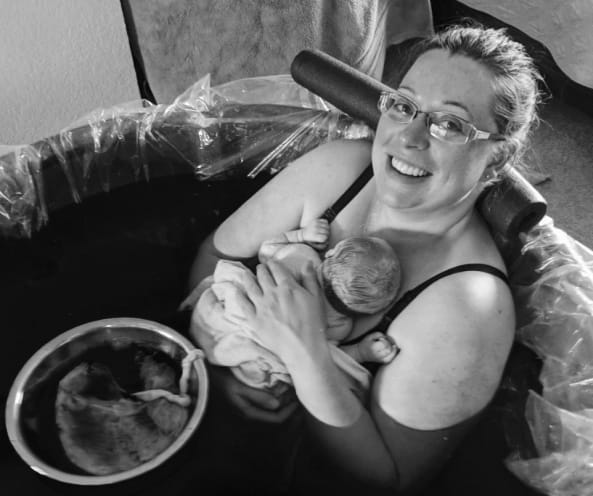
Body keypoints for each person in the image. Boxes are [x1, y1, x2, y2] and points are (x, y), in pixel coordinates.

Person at [186, 23, 542, 494]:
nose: (409, 137)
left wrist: (304, 353)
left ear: (496, 159)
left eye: (450, 124)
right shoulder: (338, 171)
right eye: (404, 106)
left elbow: (386, 479)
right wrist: (221, 361)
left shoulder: (465, 307)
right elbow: (214, 255)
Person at [188, 218, 400, 391]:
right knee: (323, 358)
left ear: (330, 253)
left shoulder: (302, 256)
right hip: (255, 356)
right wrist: (360, 352)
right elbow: (328, 357)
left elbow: (268, 247)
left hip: (228, 312)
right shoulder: (340, 325)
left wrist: (301, 235)